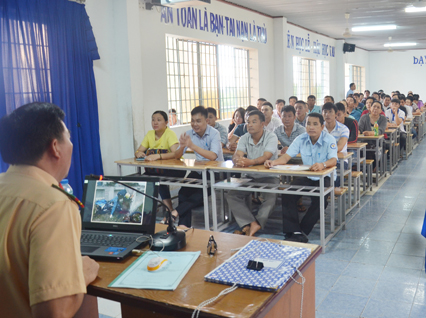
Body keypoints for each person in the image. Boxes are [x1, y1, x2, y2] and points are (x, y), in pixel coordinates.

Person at [0, 102, 99, 318]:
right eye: (69, 137)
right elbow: (54, 312)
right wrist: (81, 274)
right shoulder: (53, 204)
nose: (71, 144)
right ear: (55, 147)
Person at [265, 113, 337, 243]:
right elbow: (286, 157)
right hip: (307, 174)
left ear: (322, 126)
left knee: (320, 200)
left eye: (315, 124)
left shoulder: (329, 139)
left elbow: (333, 160)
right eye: (308, 124)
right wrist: (273, 162)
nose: (311, 127)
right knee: (287, 194)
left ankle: (302, 231)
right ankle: (293, 231)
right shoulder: (301, 138)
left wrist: (323, 164)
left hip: (325, 176)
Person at [226, 110, 279, 237]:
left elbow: (266, 156)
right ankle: (249, 224)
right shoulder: (244, 137)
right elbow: (238, 154)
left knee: (271, 198)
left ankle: (256, 224)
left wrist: (250, 162)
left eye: (254, 122)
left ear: (262, 124)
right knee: (232, 195)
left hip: (269, 176)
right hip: (249, 176)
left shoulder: (271, 137)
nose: (249, 125)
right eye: (248, 122)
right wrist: (236, 160)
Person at [172, 106, 224, 228]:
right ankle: (183, 225)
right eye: (192, 121)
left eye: (198, 121)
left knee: (201, 192)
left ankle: (176, 212)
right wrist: (182, 146)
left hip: (215, 172)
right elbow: (177, 156)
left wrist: (192, 146)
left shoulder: (214, 133)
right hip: (200, 171)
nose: (195, 124)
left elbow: (212, 156)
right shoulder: (189, 134)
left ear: (206, 121)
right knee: (183, 192)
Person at [135, 111, 185, 214]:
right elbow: (139, 150)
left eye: (159, 120)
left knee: (158, 180)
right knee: (142, 180)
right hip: (156, 170)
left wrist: (158, 156)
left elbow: (176, 154)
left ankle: (169, 210)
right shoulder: (150, 134)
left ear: (166, 122)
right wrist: (139, 153)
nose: (155, 123)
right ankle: (148, 208)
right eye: (153, 120)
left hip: (175, 169)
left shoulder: (170, 134)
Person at [322, 102, 349, 186]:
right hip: (321, 158)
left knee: (333, 179)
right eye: (325, 112)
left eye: (330, 112)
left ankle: (330, 192)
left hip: (339, 160)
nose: (327, 115)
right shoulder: (319, 128)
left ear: (336, 114)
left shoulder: (343, 129)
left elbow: (339, 147)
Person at [358, 101, 387, 170]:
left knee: (375, 150)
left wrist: (370, 133)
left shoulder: (383, 119)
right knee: (365, 150)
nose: (375, 109)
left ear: (380, 111)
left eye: (378, 107)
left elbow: (381, 131)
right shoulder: (364, 117)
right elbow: (359, 129)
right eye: (374, 106)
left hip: (379, 142)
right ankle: (369, 170)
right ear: (370, 108)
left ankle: (374, 168)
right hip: (365, 142)